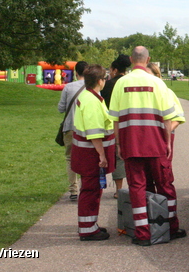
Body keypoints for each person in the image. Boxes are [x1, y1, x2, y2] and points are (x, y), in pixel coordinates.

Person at [108, 46, 186, 246]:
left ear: (131, 59)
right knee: (165, 185)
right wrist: (167, 141)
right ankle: (171, 227)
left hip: (131, 144)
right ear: (148, 59)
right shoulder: (158, 84)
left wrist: (118, 144)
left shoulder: (120, 83)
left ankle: (142, 234)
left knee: (137, 187)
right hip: (156, 144)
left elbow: (115, 119)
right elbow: (168, 118)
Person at [71, 64, 116, 241]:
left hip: (86, 154)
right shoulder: (92, 101)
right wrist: (102, 155)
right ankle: (88, 229)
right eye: (104, 78)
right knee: (91, 190)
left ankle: (90, 224)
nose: (105, 81)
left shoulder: (90, 97)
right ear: (99, 81)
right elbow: (94, 132)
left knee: (92, 190)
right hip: (91, 155)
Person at [100, 54, 131, 199]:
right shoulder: (129, 83)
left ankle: (118, 190)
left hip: (112, 123)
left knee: (117, 155)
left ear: (114, 69)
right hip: (129, 122)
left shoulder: (109, 84)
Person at [57, 60, 88, 201]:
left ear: (76, 73)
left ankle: (73, 189)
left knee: (70, 158)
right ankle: (86, 187)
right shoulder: (91, 87)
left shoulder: (68, 87)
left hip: (70, 127)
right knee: (87, 158)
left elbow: (61, 108)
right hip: (86, 128)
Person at [146, 62, 186, 159]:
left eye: (148, 75)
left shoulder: (167, 93)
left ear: (157, 76)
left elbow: (178, 118)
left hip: (162, 138)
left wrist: (160, 133)